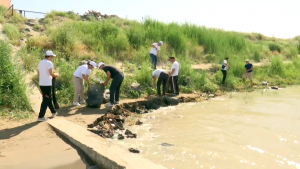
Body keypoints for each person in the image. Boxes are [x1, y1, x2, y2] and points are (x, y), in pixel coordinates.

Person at [37, 50, 58, 122]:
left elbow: (38, 74)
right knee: (46, 100)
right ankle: (41, 116)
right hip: (47, 84)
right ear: (50, 56)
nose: (52, 58)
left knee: (48, 98)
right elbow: (51, 73)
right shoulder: (49, 63)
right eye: (52, 57)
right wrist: (56, 75)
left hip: (41, 83)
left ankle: (53, 112)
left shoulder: (40, 62)